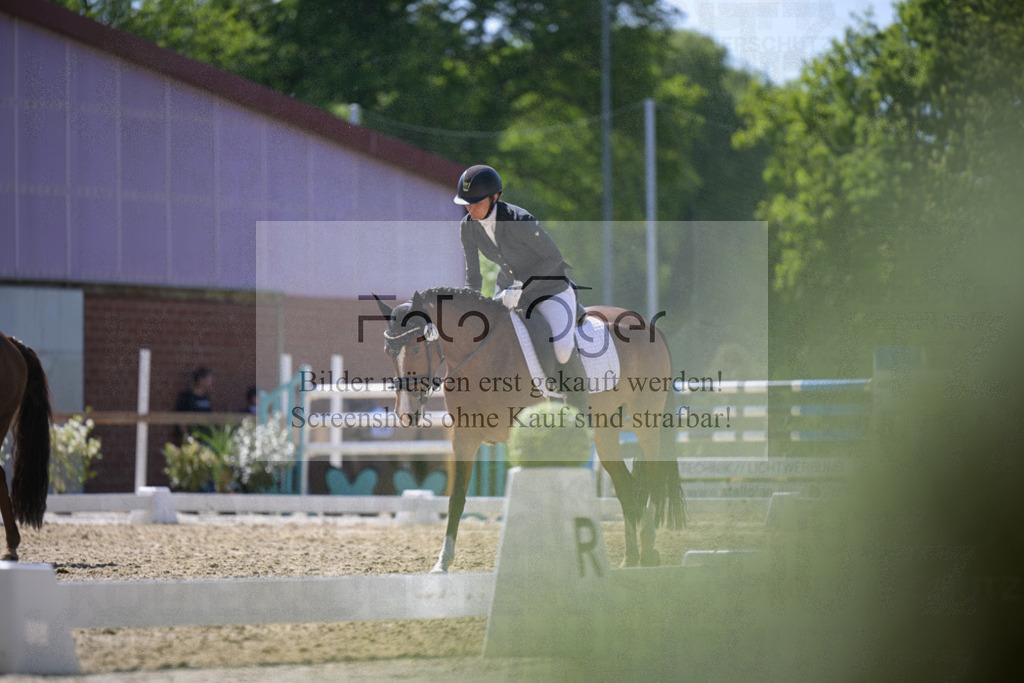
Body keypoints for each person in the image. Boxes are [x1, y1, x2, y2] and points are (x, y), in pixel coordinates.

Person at [454, 164, 588, 412]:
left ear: (494, 197)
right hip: (508, 293)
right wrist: (470, 308)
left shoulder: (519, 219)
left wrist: (521, 286)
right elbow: (473, 276)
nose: (469, 208)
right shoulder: (467, 227)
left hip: (550, 290)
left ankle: (581, 409)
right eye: (465, 202)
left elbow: (553, 258)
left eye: (475, 202)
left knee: (561, 349)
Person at [175, 366, 213, 443]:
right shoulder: (187, 396)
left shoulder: (206, 397)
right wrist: (186, 437)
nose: (211, 382)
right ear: (201, 380)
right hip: (193, 437)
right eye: (209, 380)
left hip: (205, 437)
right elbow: (180, 418)